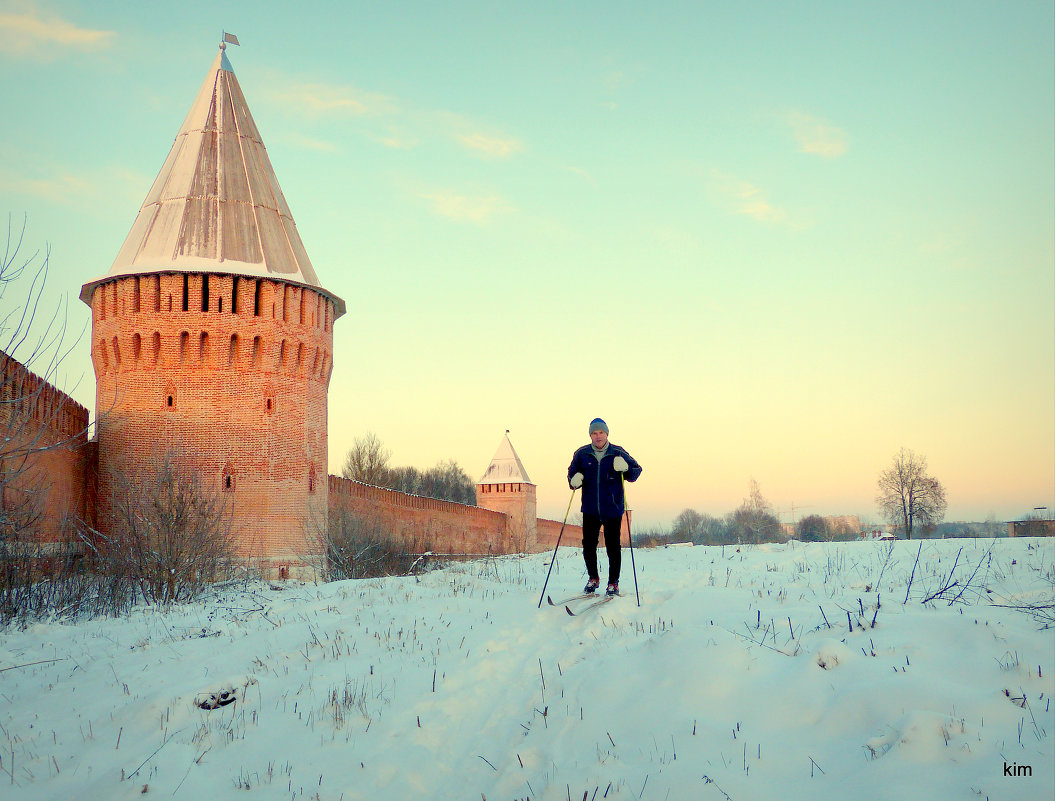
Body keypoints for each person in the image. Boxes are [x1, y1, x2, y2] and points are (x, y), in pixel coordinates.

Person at [567, 418, 642, 596]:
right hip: (591, 509)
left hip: (612, 508)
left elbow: (636, 471)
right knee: (588, 546)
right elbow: (571, 474)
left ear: (607, 434)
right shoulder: (581, 454)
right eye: (594, 433)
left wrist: (626, 469)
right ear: (590, 435)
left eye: (601, 432)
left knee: (613, 547)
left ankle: (613, 583)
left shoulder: (618, 452)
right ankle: (593, 578)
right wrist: (573, 480)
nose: (598, 436)